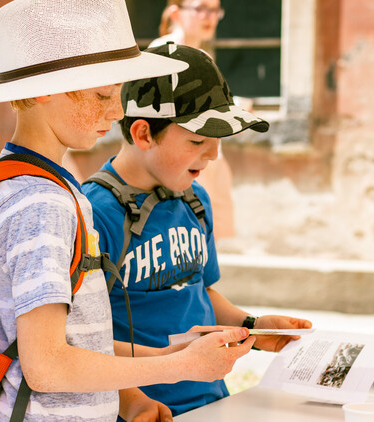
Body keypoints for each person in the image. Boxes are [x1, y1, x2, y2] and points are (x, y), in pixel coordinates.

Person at [0, 1, 255, 421]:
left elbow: (72, 341)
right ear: (43, 89)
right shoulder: (41, 203)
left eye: (119, 93)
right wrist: (178, 365)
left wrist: (163, 357)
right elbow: (47, 366)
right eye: (102, 94)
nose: (116, 111)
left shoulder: (39, 186)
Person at [82, 43, 313, 417]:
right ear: (143, 134)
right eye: (197, 141)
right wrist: (132, 402)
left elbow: (200, 292)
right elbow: (80, 341)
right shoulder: (94, 214)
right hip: (144, 410)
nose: (213, 155)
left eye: (218, 141)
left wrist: (253, 327)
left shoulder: (194, 200)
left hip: (212, 400)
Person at [150, 0, 236, 240]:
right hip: (178, 159)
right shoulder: (164, 51)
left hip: (206, 157)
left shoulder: (202, 55)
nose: (209, 17)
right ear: (176, 13)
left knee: (207, 239)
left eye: (215, 9)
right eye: (201, 8)